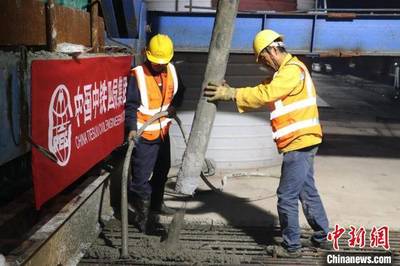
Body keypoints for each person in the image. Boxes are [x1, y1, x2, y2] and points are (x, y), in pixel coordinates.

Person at [204, 29, 330, 258]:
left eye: (263, 58)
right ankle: (322, 237)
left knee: (286, 196)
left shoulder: (291, 71)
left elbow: (266, 94)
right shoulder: (287, 71)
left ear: (272, 50)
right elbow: (260, 90)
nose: (264, 64)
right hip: (304, 139)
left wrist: (230, 93)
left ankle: (291, 247)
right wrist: (230, 90)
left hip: (298, 141)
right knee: (307, 191)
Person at [125, 34, 185, 233]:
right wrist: (132, 128)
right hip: (144, 137)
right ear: (146, 56)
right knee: (141, 180)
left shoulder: (172, 70)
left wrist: (174, 106)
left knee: (161, 171)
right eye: (155, 62)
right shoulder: (138, 75)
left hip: (162, 133)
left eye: (163, 62)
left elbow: (181, 90)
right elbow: (131, 105)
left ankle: (157, 207)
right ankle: (143, 218)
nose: (159, 66)